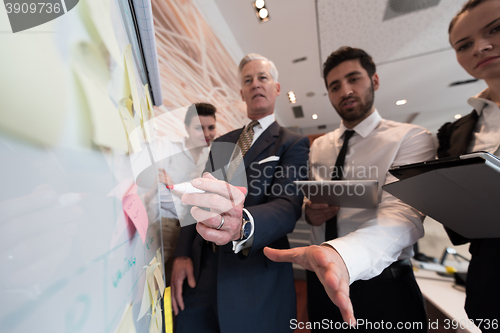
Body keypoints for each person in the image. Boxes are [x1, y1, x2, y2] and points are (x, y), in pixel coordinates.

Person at [264, 47, 435, 331]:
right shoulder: (318, 146)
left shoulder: (410, 138)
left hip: (384, 285)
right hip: (322, 278)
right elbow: (313, 204)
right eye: (335, 86)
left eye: (354, 79)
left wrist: (343, 255)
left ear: (374, 81)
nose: (345, 91)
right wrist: (311, 213)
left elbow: (403, 215)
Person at [171, 53, 310, 333]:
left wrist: (242, 223)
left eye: (263, 78)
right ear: (242, 93)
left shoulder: (292, 143)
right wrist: (182, 254)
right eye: (248, 80)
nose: (255, 84)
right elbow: (199, 195)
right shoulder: (222, 141)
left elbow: (287, 205)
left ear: (276, 88)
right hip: (203, 269)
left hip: (255, 272)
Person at [437, 0, 500, 329]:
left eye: (495, 28)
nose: (481, 47)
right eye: (464, 45)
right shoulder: (455, 133)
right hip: (489, 288)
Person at [157, 102, 217, 286]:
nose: (207, 134)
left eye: (211, 127)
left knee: (182, 288)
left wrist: (174, 187)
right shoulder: (169, 148)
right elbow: (159, 191)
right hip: (165, 226)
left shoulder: (212, 159)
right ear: (187, 128)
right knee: (155, 284)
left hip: (194, 233)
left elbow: (207, 199)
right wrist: (191, 195)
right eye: (199, 128)